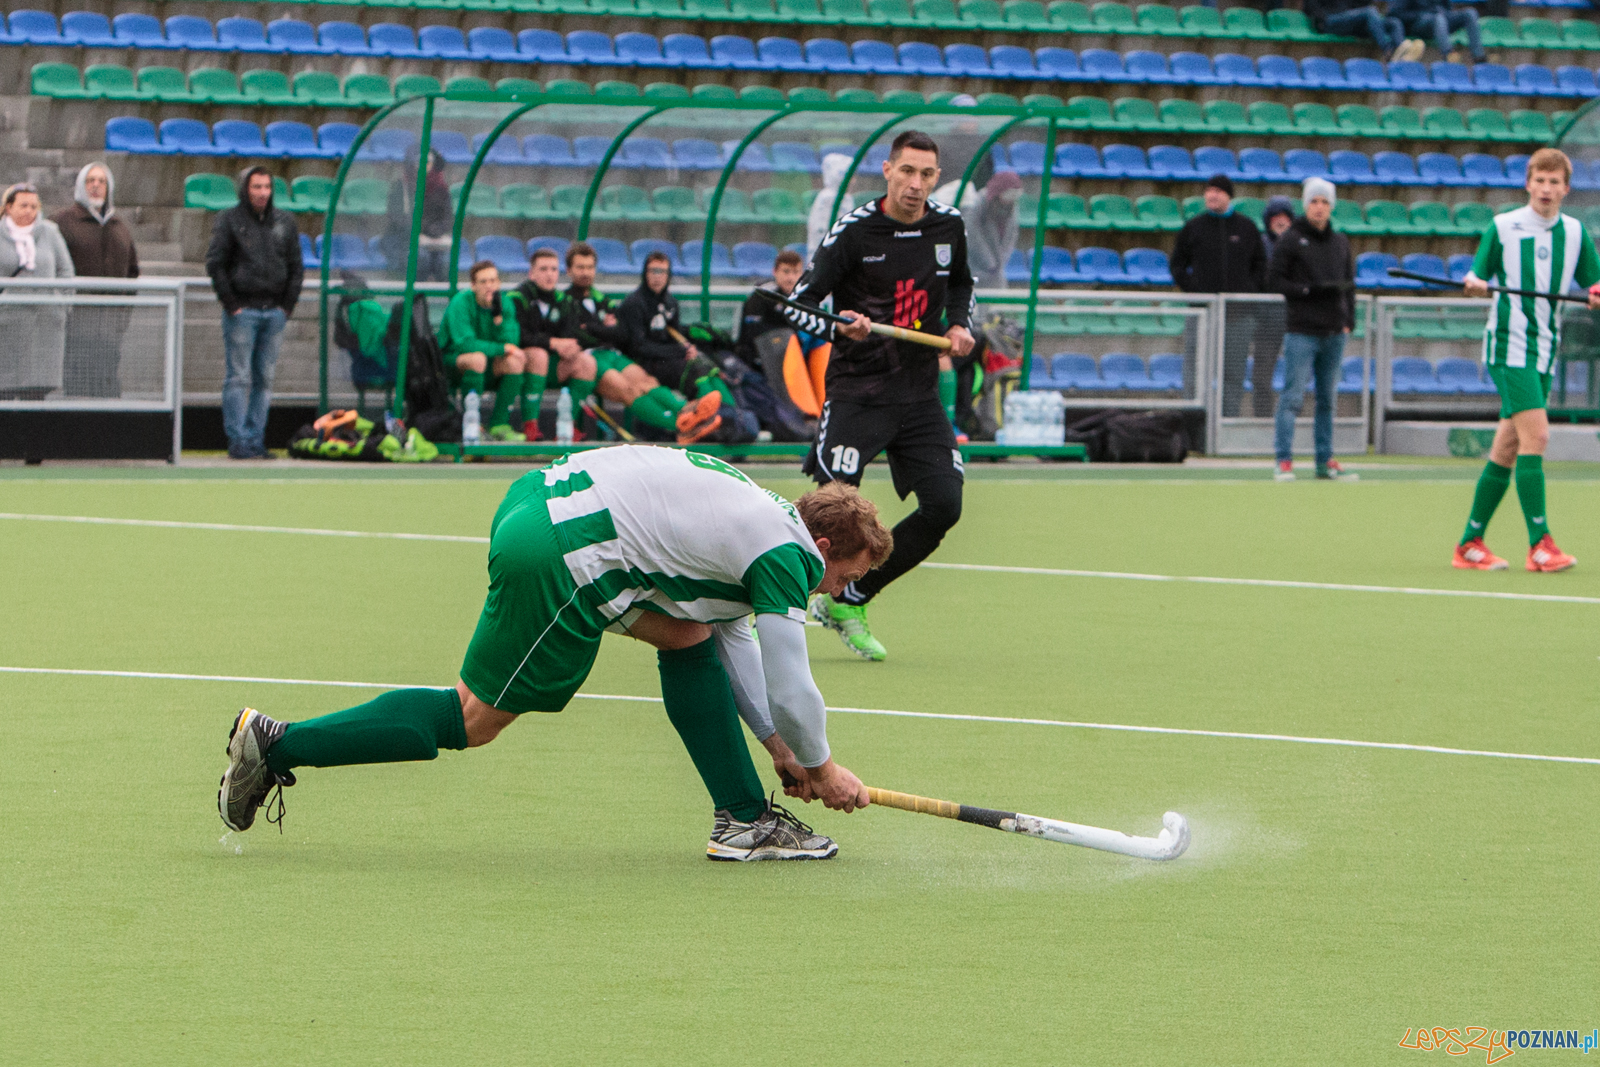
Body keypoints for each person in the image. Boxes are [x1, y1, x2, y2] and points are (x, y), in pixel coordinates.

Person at [217, 448, 892, 861]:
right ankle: (276, 744)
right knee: (471, 718)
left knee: (683, 632)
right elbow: (789, 677)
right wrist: (823, 766)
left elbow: (726, 634)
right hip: (569, 554)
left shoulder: (764, 514)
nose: (835, 591)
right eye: (843, 577)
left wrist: (779, 745)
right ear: (824, 547)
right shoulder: (788, 556)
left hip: (543, 502)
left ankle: (743, 818)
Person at [780, 129, 976, 662]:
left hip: (917, 398)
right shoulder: (855, 232)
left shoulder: (948, 225)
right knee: (827, 516)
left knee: (945, 506)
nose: (916, 184)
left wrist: (959, 324)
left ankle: (851, 598)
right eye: (907, 171)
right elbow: (798, 306)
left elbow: (961, 284)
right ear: (887, 170)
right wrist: (839, 328)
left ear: (936, 178)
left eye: (927, 174)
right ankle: (772, 615)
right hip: (857, 396)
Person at [1453, 148, 1600, 573]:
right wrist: (1476, 284)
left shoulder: (1574, 233)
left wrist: (1595, 295)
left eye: (1556, 182)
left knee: (1508, 445)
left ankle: (1469, 543)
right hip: (1508, 344)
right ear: (1528, 183)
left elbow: (1593, 282)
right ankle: (1540, 544)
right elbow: (1479, 276)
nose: (1547, 189)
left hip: (1544, 347)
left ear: (1566, 189)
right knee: (1538, 437)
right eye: (1541, 180)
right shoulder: (1503, 227)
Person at [560, 242, 720, 444]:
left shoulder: (602, 299)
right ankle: (681, 427)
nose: (586, 272)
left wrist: (593, 328)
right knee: (628, 390)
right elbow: (576, 335)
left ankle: (690, 414)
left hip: (611, 354)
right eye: (580, 267)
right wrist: (604, 329)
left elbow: (622, 334)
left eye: (589, 267)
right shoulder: (564, 300)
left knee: (646, 381)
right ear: (569, 270)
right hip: (587, 359)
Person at [205, 166, 304, 459]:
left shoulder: (285, 222)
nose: (262, 193)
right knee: (239, 377)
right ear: (245, 189)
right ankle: (238, 440)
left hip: (274, 312)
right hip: (242, 311)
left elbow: (296, 266)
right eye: (256, 187)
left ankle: (256, 438)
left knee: (265, 378)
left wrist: (287, 305)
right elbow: (215, 263)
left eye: (266, 187)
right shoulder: (229, 220)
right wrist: (231, 303)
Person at [1266, 178, 1357, 482]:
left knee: (1327, 400)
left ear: (1331, 207)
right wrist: (1307, 290)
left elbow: (1349, 286)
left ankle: (1324, 460)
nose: (1319, 207)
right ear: (1306, 205)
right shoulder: (1291, 240)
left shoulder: (1341, 242)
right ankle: (1284, 459)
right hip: (1302, 330)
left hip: (1333, 332)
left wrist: (1349, 320)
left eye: (1325, 202)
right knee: (1292, 397)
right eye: (1314, 201)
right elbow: (1275, 280)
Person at [1170, 175, 1267, 417]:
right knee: (1195, 371)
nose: (1212, 195)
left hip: (1238, 315)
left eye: (1218, 191)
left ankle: (1228, 423)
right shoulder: (1194, 227)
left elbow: (1260, 266)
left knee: (1233, 373)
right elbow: (1177, 265)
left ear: (1229, 196)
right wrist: (1195, 290)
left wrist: (1248, 292)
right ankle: (1193, 425)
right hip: (1202, 313)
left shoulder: (1246, 228)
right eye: (1209, 191)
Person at [53, 162, 140, 397]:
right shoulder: (62, 222)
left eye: (101, 181)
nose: (96, 185)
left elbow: (133, 272)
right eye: (90, 180)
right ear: (81, 185)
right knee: (78, 385)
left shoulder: (119, 226)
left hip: (110, 326)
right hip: (76, 324)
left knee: (108, 384)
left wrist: (123, 315)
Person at [508, 247, 599, 441]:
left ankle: (567, 426)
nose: (549, 274)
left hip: (552, 368)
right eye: (543, 269)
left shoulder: (563, 300)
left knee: (586, 363)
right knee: (538, 354)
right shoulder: (517, 298)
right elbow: (519, 337)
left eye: (553, 269)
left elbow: (570, 334)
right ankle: (530, 425)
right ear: (531, 273)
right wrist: (552, 342)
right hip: (522, 368)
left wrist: (571, 346)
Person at [436, 259, 529, 443]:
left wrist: (498, 320)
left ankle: (499, 425)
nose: (489, 286)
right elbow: (465, 344)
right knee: (477, 358)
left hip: (488, 365)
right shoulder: (460, 303)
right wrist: (501, 348)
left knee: (515, 361)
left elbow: (512, 342)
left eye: (493, 281)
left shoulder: (505, 304)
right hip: (452, 364)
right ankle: (471, 424)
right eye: (483, 282)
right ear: (473, 285)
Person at [0, 183, 75, 401]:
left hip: (44, 327)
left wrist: (61, 305)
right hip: (6, 327)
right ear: (9, 208)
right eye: (23, 205)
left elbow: (66, 271)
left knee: (36, 392)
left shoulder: (50, 232)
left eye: (34, 206)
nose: (29, 211)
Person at [1251, 196, 1298, 415]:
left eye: (1285, 217)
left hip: (1295, 322)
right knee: (1261, 377)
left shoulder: (1300, 245)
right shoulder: (1259, 245)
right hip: (1266, 322)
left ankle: (1292, 424)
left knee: (1297, 377)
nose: (1280, 221)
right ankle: (1262, 421)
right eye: (1275, 217)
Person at [1303, 0, 1424, 62]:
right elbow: (1310, 6)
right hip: (1329, 21)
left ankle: (1400, 50)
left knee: (1394, 23)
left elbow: (1359, 5)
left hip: (1350, 21)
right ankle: (1387, 50)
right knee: (1369, 12)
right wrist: (1321, 20)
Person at [965, 171, 1023, 292]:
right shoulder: (977, 205)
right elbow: (972, 235)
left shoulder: (1012, 208)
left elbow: (1012, 236)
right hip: (973, 267)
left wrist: (999, 263)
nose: (1010, 200)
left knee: (999, 305)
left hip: (996, 273)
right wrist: (989, 262)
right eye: (1009, 195)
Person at [1389, 0, 1486, 62]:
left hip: (1441, 21)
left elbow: (1448, 9)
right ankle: (1449, 55)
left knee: (1470, 13)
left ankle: (1479, 57)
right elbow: (1395, 13)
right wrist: (1421, 15)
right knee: (1438, 18)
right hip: (1418, 24)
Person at [808, 153, 855, 263]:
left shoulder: (847, 198)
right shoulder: (827, 199)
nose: (853, 181)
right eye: (850, 176)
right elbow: (821, 231)